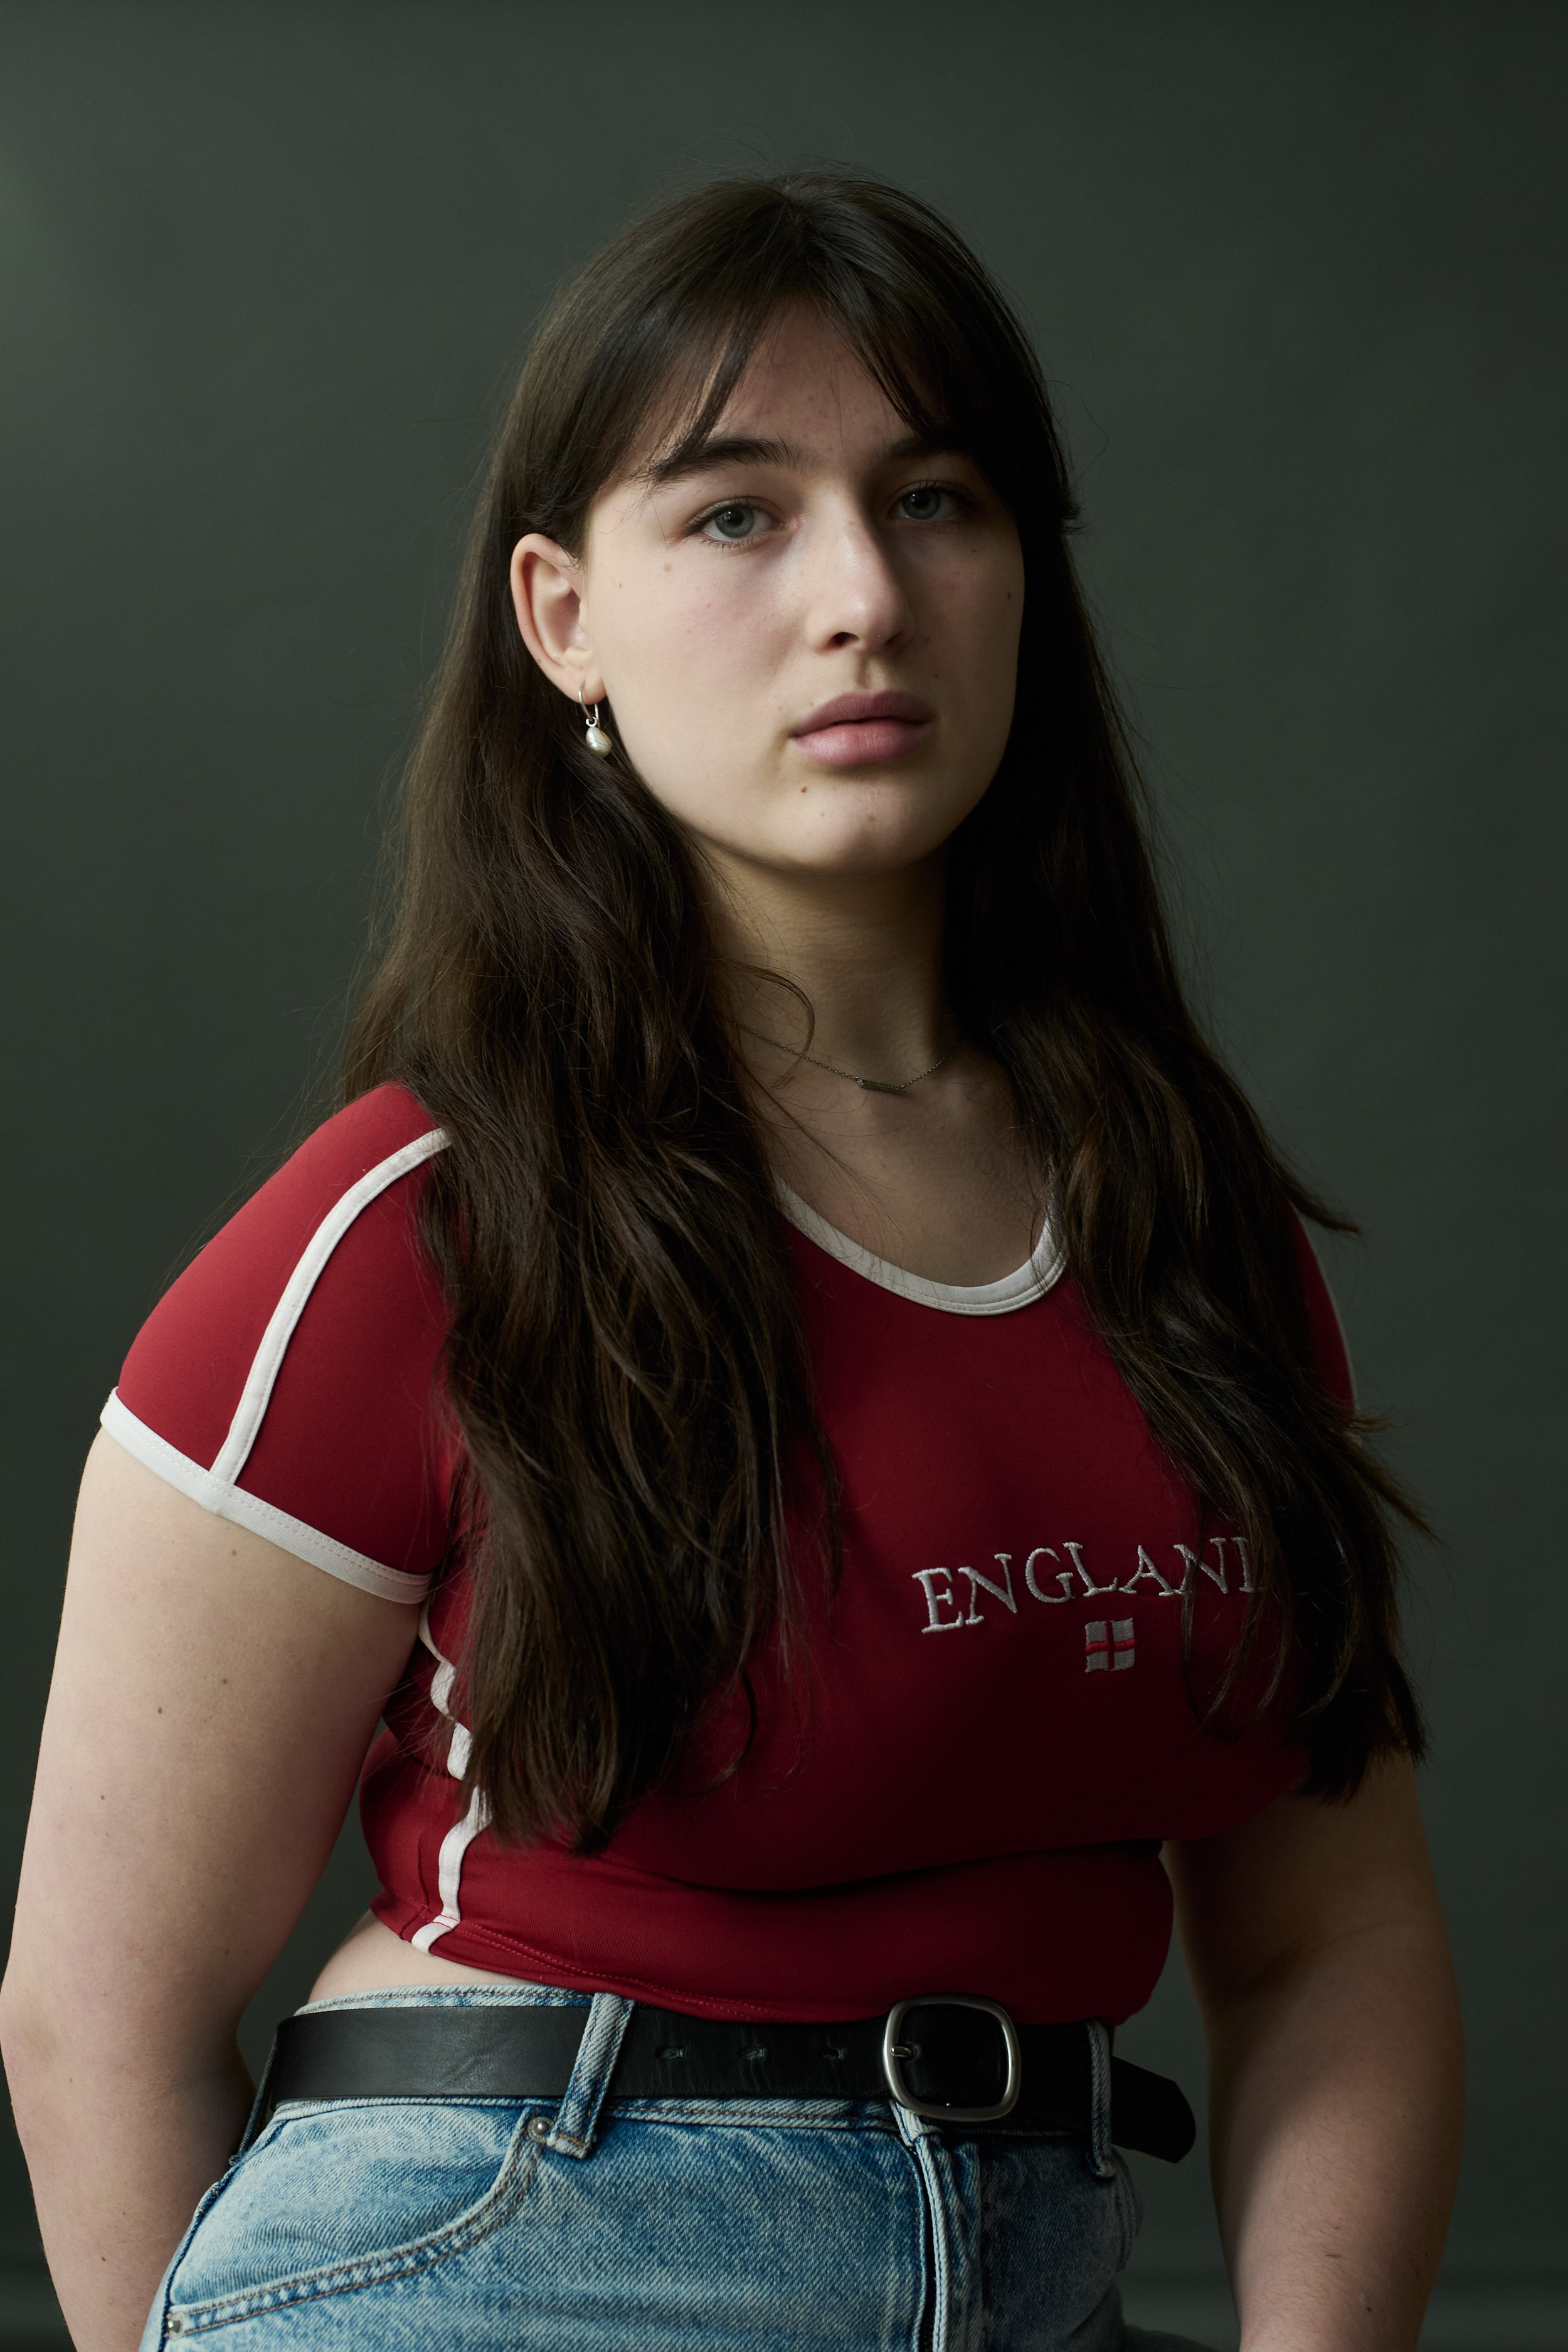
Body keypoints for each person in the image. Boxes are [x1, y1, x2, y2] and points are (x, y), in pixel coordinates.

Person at [1, 174, 1462, 2352]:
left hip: (1047, 2274)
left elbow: (1325, 1942)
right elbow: (95, 2010)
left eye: (936, 498)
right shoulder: (410, 1233)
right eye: (735, 513)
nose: (864, 594)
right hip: (514, 2257)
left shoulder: (1189, 1228)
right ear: (558, 614)